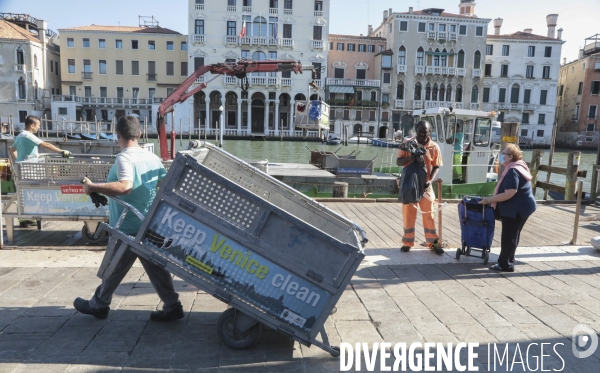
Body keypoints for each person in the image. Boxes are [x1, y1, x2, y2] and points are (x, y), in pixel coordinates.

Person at [73, 115, 183, 321]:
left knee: (114, 265)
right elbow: (164, 184)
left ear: (118, 135)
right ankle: (172, 304)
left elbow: (125, 186)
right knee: (155, 268)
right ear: (139, 134)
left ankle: (99, 305)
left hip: (127, 225)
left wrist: (93, 187)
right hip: (148, 222)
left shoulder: (124, 158)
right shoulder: (151, 157)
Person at [479, 144, 536, 272]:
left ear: (510, 157)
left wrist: (489, 200)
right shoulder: (519, 166)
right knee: (513, 236)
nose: (502, 155)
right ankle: (508, 261)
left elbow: (509, 193)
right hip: (522, 207)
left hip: (516, 209)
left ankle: (505, 265)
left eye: (504, 153)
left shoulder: (512, 171)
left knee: (508, 237)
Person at [397, 120, 444, 255]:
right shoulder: (406, 144)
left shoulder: (434, 147)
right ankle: (407, 242)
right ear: (415, 131)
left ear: (430, 132)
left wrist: (430, 180)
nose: (423, 135)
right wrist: (409, 159)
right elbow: (398, 161)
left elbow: (436, 166)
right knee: (408, 214)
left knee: (429, 214)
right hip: (410, 185)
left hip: (425, 185)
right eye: (420, 133)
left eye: (425, 133)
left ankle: (433, 243)